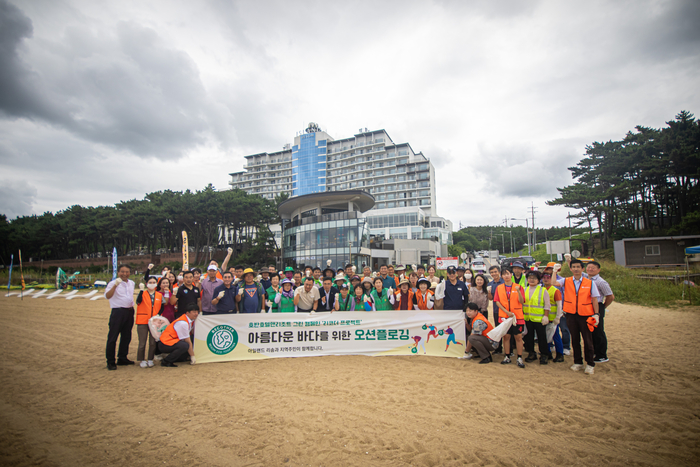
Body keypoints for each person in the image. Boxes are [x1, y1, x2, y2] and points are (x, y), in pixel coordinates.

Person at [553, 259, 600, 375]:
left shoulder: (589, 283)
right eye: (573, 267)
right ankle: (578, 362)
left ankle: (590, 364)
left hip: (585, 315)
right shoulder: (567, 281)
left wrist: (596, 314)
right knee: (575, 339)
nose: (576, 269)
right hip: (571, 314)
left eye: (578, 267)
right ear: (570, 268)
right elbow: (554, 283)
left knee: (588, 340)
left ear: (582, 269)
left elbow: (594, 299)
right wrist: (554, 271)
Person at [104, 264, 136, 370]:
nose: (124, 274)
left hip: (129, 311)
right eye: (122, 271)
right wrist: (115, 286)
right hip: (118, 312)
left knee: (126, 336)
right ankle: (110, 361)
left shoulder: (131, 283)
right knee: (113, 337)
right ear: (118, 272)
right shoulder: (113, 283)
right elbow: (107, 296)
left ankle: (122, 357)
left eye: (127, 272)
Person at [494, 267, 526, 368]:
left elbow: (522, 301)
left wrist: (519, 292)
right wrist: (506, 312)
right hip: (504, 316)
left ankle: (519, 357)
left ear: (511, 275)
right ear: (502, 276)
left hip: (517, 316)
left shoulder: (518, 287)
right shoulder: (499, 287)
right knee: (506, 337)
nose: (506, 276)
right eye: (504, 274)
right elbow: (497, 301)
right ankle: (507, 356)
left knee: (518, 337)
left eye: (508, 274)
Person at [585, 261, 614, 363]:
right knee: (589, 330)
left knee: (598, 331)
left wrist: (603, 307)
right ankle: (593, 351)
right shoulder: (585, 278)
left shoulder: (601, 282)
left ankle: (602, 355)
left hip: (598, 306)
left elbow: (610, 296)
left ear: (598, 270)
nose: (590, 269)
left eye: (593, 268)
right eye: (589, 267)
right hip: (587, 307)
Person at [522, 270, 552, 365]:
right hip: (528, 318)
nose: (531, 280)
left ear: (539, 280)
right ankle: (531, 353)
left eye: (534, 278)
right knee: (529, 337)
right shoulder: (524, 289)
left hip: (539, 319)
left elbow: (547, 305)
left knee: (542, 338)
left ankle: (544, 354)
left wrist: (546, 316)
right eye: (530, 278)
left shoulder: (543, 290)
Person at [135, 276, 162, 368]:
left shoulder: (159, 295)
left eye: (153, 282)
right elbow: (138, 301)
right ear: (146, 284)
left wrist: (158, 314)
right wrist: (141, 291)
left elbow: (162, 306)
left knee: (152, 342)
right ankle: (141, 359)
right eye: (150, 282)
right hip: (142, 320)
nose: (152, 284)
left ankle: (150, 359)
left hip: (154, 321)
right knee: (142, 342)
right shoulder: (143, 293)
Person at [542, 267, 565, 362]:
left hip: (553, 318)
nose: (546, 279)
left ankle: (560, 354)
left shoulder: (555, 291)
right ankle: (548, 353)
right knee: (546, 336)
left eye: (548, 277)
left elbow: (559, 305)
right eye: (544, 278)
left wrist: (558, 317)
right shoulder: (541, 289)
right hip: (544, 318)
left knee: (555, 336)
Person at [487, 265, 506, 354]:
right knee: (498, 329)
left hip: (506, 310)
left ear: (499, 272)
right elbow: (490, 298)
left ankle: (509, 350)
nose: (493, 274)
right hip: (496, 310)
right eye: (491, 272)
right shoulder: (490, 285)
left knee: (507, 330)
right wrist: (489, 292)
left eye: (495, 272)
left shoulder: (505, 282)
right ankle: (499, 348)